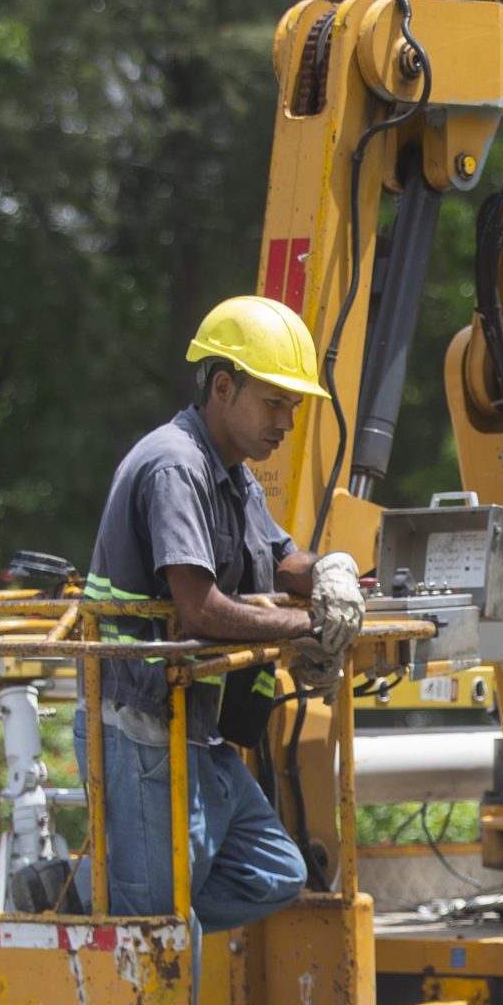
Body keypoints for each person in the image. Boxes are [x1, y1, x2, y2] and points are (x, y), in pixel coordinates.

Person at [78, 293, 365, 935]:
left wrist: (330, 572)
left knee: (274, 874)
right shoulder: (176, 466)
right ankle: (100, 911)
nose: (286, 423)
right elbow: (200, 609)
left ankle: (99, 903)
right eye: (275, 403)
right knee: (159, 932)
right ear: (224, 387)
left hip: (194, 725)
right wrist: (309, 629)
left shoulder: (229, 472)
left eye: (293, 407)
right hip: (144, 726)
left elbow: (280, 557)